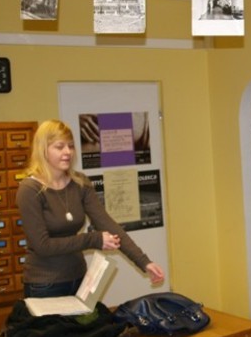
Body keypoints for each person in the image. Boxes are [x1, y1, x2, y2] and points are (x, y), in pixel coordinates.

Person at [17, 119, 165, 298]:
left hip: (79, 279)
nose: (67, 152)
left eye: (71, 146)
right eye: (59, 147)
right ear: (43, 150)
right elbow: (43, 246)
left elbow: (107, 224)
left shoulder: (80, 182)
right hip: (44, 284)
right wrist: (93, 239)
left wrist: (144, 262)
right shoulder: (30, 189)